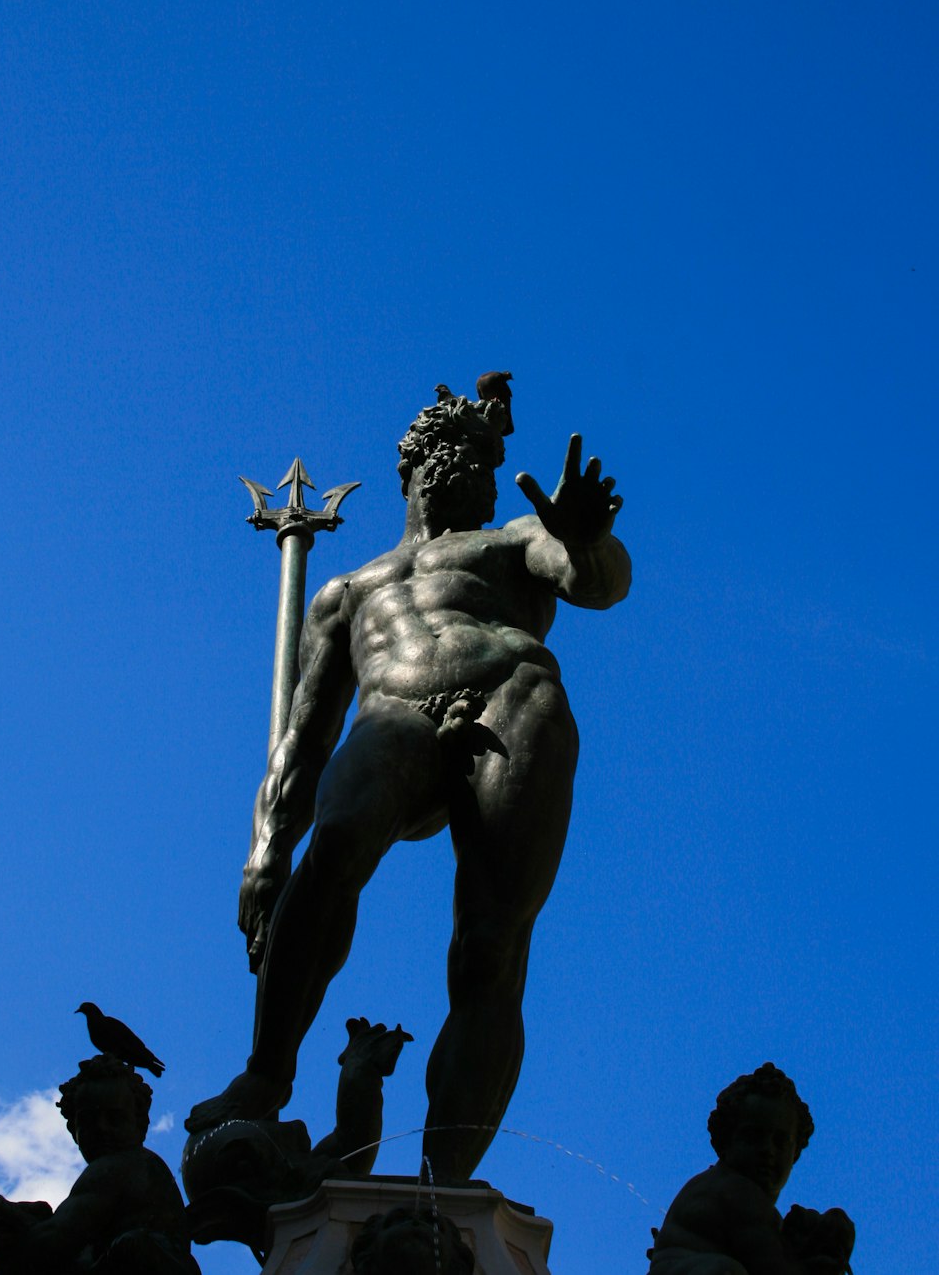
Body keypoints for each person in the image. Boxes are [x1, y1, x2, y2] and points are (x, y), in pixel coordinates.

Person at [187, 385, 631, 1180]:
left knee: (491, 946)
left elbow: (592, 580)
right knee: (339, 843)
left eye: (490, 466)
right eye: (466, 460)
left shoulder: (516, 538)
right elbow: (300, 740)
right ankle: (267, 1070)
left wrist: (588, 543)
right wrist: (265, 850)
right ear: (420, 467)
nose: (483, 480)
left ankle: (443, 1183)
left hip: (512, 696)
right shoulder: (346, 591)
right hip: (392, 713)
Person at [0, 1055, 200, 1273]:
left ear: (140, 1124)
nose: (102, 1128)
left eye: (114, 1118)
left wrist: (12, 1226)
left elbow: (54, 1240)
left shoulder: (120, 1166)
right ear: (73, 1131)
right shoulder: (137, 1167)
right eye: (89, 1121)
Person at [647, 1063, 855, 1275]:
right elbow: (774, 1270)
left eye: (780, 1141)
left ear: (795, 1152)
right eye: (753, 1137)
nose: (768, 1150)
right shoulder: (735, 1191)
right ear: (726, 1141)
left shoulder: (759, 1211)